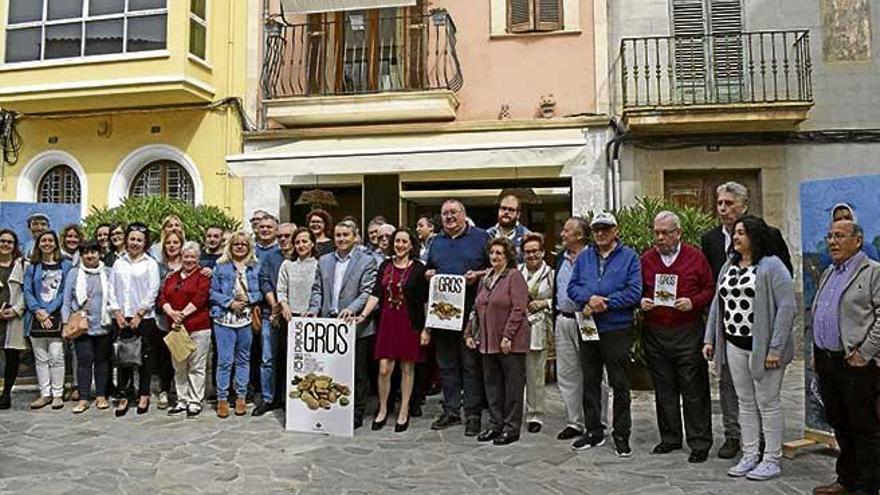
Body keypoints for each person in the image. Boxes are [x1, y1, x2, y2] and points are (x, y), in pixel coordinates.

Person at [700, 180, 792, 459]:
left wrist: (775, 346)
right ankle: (741, 444)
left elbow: (785, 298)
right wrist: (710, 336)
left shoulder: (770, 252)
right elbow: (717, 294)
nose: (723, 209)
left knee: (766, 399)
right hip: (732, 338)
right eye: (720, 203)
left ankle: (769, 450)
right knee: (739, 395)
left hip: (761, 339)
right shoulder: (720, 251)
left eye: (729, 203)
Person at [811, 219, 880, 495]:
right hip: (829, 362)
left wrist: (864, 353)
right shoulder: (829, 271)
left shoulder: (873, 272)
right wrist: (817, 352)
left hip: (856, 363)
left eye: (840, 236)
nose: (832, 242)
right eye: (829, 236)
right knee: (840, 423)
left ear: (858, 240)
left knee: (864, 427)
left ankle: (868, 485)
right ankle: (846, 479)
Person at [640, 211, 715, 463]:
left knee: (694, 389)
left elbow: (710, 289)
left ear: (678, 233)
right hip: (656, 332)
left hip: (687, 331)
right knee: (664, 389)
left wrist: (693, 302)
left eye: (665, 233)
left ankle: (699, 442)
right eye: (656, 232)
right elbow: (637, 290)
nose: (659, 238)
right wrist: (642, 301)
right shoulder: (647, 259)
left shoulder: (695, 257)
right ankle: (670, 438)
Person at [568, 212, 641, 457]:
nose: (600, 233)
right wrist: (588, 298)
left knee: (619, 383)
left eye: (605, 229)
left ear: (615, 231)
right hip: (588, 326)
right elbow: (572, 287)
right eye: (597, 229)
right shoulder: (584, 257)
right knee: (590, 380)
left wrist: (606, 303)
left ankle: (621, 434)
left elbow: (634, 292)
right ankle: (593, 431)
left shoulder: (629, 257)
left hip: (616, 328)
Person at [425, 199, 490, 436]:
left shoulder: (481, 238)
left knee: (470, 365)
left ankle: (473, 414)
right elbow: (429, 268)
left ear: (464, 214)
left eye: (453, 212)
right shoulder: (436, 242)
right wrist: (429, 274)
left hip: (471, 315)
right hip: (442, 315)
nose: (449, 217)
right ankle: (451, 410)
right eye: (444, 214)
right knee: (446, 365)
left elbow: (496, 268)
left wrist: (479, 274)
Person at [356, 228, 429, 432]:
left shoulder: (419, 269)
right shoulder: (385, 265)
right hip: (387, 323)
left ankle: (404, 409)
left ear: (411, 245)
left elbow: (425, 302)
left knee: (407, 368)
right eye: (397, 241)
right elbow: (375, 293)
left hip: (410, 323)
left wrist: (427, 329)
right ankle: (383, 408)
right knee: (384, 368)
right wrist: (362, 315)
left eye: (404, 241)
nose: (400, 245)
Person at [307, 220, 377, 429]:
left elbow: (367, 292)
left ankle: (356, 412)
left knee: (357, 372)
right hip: (330, 325)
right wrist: (313, 309)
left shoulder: (367, 261)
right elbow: (318, 289)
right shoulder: (324, 260)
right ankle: (334, 409)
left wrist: (353, 309)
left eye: (346, 235)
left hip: (355, 325)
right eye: (338, 235)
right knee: (333, 369)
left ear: (355, 237)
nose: (341, 239)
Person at [464, 237, 530, 445]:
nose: (494, 257)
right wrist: (468, 333)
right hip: (487, 341)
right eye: (492, 253)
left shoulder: (514, 276)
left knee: (512, 386)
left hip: (509, 342)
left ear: (508, 256)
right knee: (492, 386)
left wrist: (508, 336)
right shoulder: (485, 279)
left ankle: (511, 428)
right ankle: (495, 424)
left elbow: (519, 308)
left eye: (499, 253)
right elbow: (476, 309)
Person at [109, 222, 161, 417]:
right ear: (126, 240)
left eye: (139, 240)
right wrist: (117, 313)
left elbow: (153, 290)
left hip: (144, 317)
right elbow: (112, 289)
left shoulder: (150, 264)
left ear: (145, 242)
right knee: (123, 357)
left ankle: (144, 394)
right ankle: (124, 394)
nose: (135, 243)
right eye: (132, 239)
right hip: (122, 316)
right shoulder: (118, 262)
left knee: (145, 358)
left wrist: (140, 313)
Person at [210, 231, 263, 418]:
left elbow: (262, 291)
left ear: (249, 247)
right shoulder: (220, 267)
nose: (240, 247)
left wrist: (249, 298)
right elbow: (212, 293)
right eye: (236, 244)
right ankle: (222, 398)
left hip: (246, 319)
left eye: (243, 244)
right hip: (224, 319)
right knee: (225, 361)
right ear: (230, 246)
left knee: (243, 359)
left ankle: (241, 396)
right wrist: (229, 302)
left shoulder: (255, 267)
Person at [160, 241, 212, 418]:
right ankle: (181, 400)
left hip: (198, 326)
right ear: (181, 257)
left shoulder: (203, 276)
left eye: (193, 257)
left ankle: (194, 401)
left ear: (198, 259)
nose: (189, 260)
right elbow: (162, 298)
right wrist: (171, 313)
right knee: (179, 365)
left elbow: (201, 298)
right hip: (176, 329)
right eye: (186, 256)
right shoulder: (171, 277)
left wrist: (181, 314)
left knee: (196, 365)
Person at [62, 239, 113, 414]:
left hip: (103, 324)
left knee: (102, 362)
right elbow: (67, 301)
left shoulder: (108, 272)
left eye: (93, 252)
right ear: (81, 255)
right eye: (86, 252)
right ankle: (84, 397)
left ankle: (100, 396)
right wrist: (65, 323)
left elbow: (114, 297)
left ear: (100, 253)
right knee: (84, 361)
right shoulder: (74, 274)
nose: (90, 255)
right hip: (81, 326)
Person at [24, 230, 73, 410]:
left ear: (55, 243)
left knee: (56, 356)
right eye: (43, 241)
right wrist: (38, 311)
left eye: (50, 240)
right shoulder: (32, 267)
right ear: (38, 244)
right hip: (35, 318)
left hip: (57, 317)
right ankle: (45, 393)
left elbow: (64, 292)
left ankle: (58, 394)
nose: (47, 243)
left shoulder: (65, 266)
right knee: (41, 358)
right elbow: (27, 291)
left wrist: (48, 311)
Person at [553, 217, 590, 441]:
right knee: (567, 374)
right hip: (563, 319)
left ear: (579, 235)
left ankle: (598, 421)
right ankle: (574, 421)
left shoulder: (592, 258)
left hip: (586, 320)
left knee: (593, 373)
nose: (562, 234)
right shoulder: (561, 259)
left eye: (566, 230)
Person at [253, 222, 295, 416]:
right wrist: (274, 307)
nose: (284, 240)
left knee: (292, 359)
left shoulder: (303, 257)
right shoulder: (271, 258)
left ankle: (290, 398)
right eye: (281, 237)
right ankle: (269, 398)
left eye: (288, 236)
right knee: (268, 358)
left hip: (296, 317)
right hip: (272, 314)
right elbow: (264, 281)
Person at [518, 232, 553, 434]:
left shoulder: (551, 274)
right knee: (514, 374)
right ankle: (513, 411)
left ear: (542, 252)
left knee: (535, 374)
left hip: (539, 328)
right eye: (527, 252)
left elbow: (558, 299)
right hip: (517, 328)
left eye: (535, 251)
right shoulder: (515, 272)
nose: (531, 255)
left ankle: (535, 415)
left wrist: (544, 303)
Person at [153, 229, 184, 409]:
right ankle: (164, 390)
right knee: (164, 356)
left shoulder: (189, 264)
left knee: (182, 356)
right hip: (164, 318)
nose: (172, 246)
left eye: (175, 243)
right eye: (169, 243)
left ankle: (183, 393)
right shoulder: (159, 267)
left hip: (185, 318)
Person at [0, 230, 27, 410]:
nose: (5, 244)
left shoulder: (21, 264)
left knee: (11, 355)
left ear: (14, 245)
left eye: (10, 242)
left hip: (13, 317)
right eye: (2, 241)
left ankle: (6, 393)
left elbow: (28, 289)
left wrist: (17, 309)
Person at [277, 227, 319, 322]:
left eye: (304, 241)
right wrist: (285, 306)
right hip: (290, 316)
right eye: (297, 242)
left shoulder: (319, 265)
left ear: (312, 243)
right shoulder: (287, 264)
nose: (301, 245)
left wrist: (313, 310)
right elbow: (281, 290)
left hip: (313, 315)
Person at [486, 193, 530, 262]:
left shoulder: (527, 236)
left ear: (518, 214)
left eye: (511, 209)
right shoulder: (487, 234)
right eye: (503, 208)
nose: (506, 212)